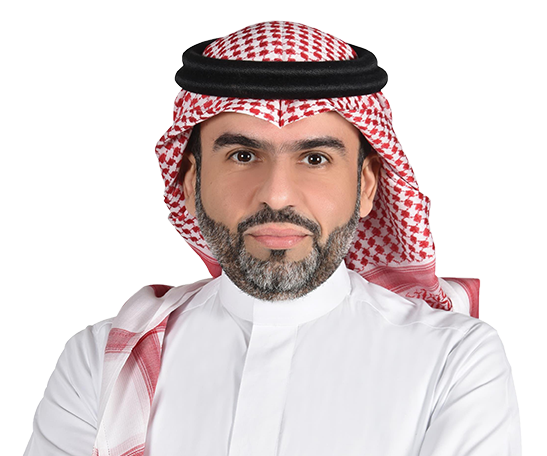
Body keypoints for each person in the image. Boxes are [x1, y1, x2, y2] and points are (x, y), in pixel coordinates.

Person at [24, 20, 521, 456]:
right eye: (243, 156)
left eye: (315, 159)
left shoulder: (454, 361)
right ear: (191, 181)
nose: (277, 195)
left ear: (367, 185)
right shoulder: (99, 362)